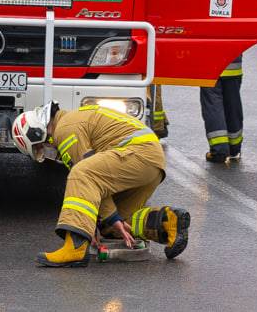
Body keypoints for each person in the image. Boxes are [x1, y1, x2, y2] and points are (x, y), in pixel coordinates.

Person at [11, 102, 190, 267]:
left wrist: (108, 218)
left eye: (40, 147)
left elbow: (89, 177)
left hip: (139, 153)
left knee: (80, 173)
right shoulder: (72, 119)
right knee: (109, 226)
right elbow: (99, 181)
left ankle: (74, 248)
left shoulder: (64, 129)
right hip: (151, 160)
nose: (45, 151)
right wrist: (105, 221)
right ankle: (168, 223)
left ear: (37, 132)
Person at [201, 56, 244, 163]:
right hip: (233, 67)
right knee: (233, 106)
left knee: (213, 106)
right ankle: (234, 150)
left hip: (210, 66)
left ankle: (219, 151)